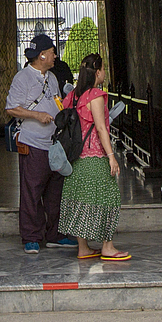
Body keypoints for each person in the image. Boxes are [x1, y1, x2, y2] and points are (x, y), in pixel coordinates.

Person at [5, 32, 76, 253]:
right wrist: (37, 116)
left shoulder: (52, 77)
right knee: (32, 190)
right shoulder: (22, 78)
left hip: (53, 143)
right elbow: (11, 108)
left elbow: (56, 101)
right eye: (52, 52)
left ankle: (55, 233)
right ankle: (31, 236)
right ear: (42, 55)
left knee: (55, 190)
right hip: (32, 142)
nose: (56, 56)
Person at [58, 54, 129, 261]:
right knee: (109, 198)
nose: (105, 72)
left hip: (75, 157)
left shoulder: (72, 97)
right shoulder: (95, 95)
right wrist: (111, 156)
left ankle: (84, 248)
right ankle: (107, 246)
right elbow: (100, 128)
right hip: (94, 156)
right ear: (97, 72)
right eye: (103, 68)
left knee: (81, 200)